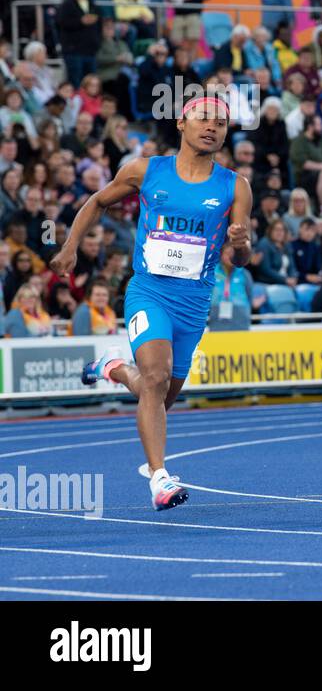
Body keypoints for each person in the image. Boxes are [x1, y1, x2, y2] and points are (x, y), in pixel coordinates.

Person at [58, 94, 252, 510]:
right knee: (157, 376)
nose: (212, 126)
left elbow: (241, 255)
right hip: (150, 292)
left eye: (221, 121)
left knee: (160, 393)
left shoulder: (236, 186)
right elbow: (96, 201)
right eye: (203, 118)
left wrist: (243, 245)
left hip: (195, 302)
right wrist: (71, 246)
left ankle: (112, 367)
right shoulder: (147, 171)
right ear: (181, 124)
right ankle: (159, 479)